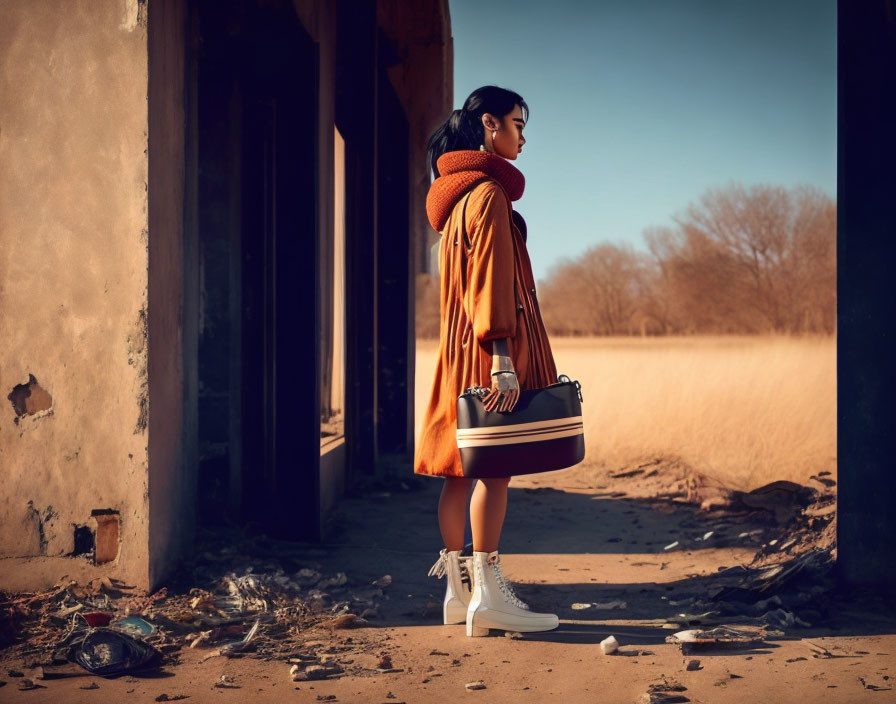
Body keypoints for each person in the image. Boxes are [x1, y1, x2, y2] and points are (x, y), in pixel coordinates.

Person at [414, 86, 560, 637]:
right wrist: (502, 357)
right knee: (494, 473)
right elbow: (492, 282)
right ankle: (489, 597)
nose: (523, 136)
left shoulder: (452, 204)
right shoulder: (490, 194)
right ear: (488, 125)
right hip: (486, 352)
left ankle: (458, 594)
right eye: (518, 124)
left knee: (460, 474)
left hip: (455, 354)